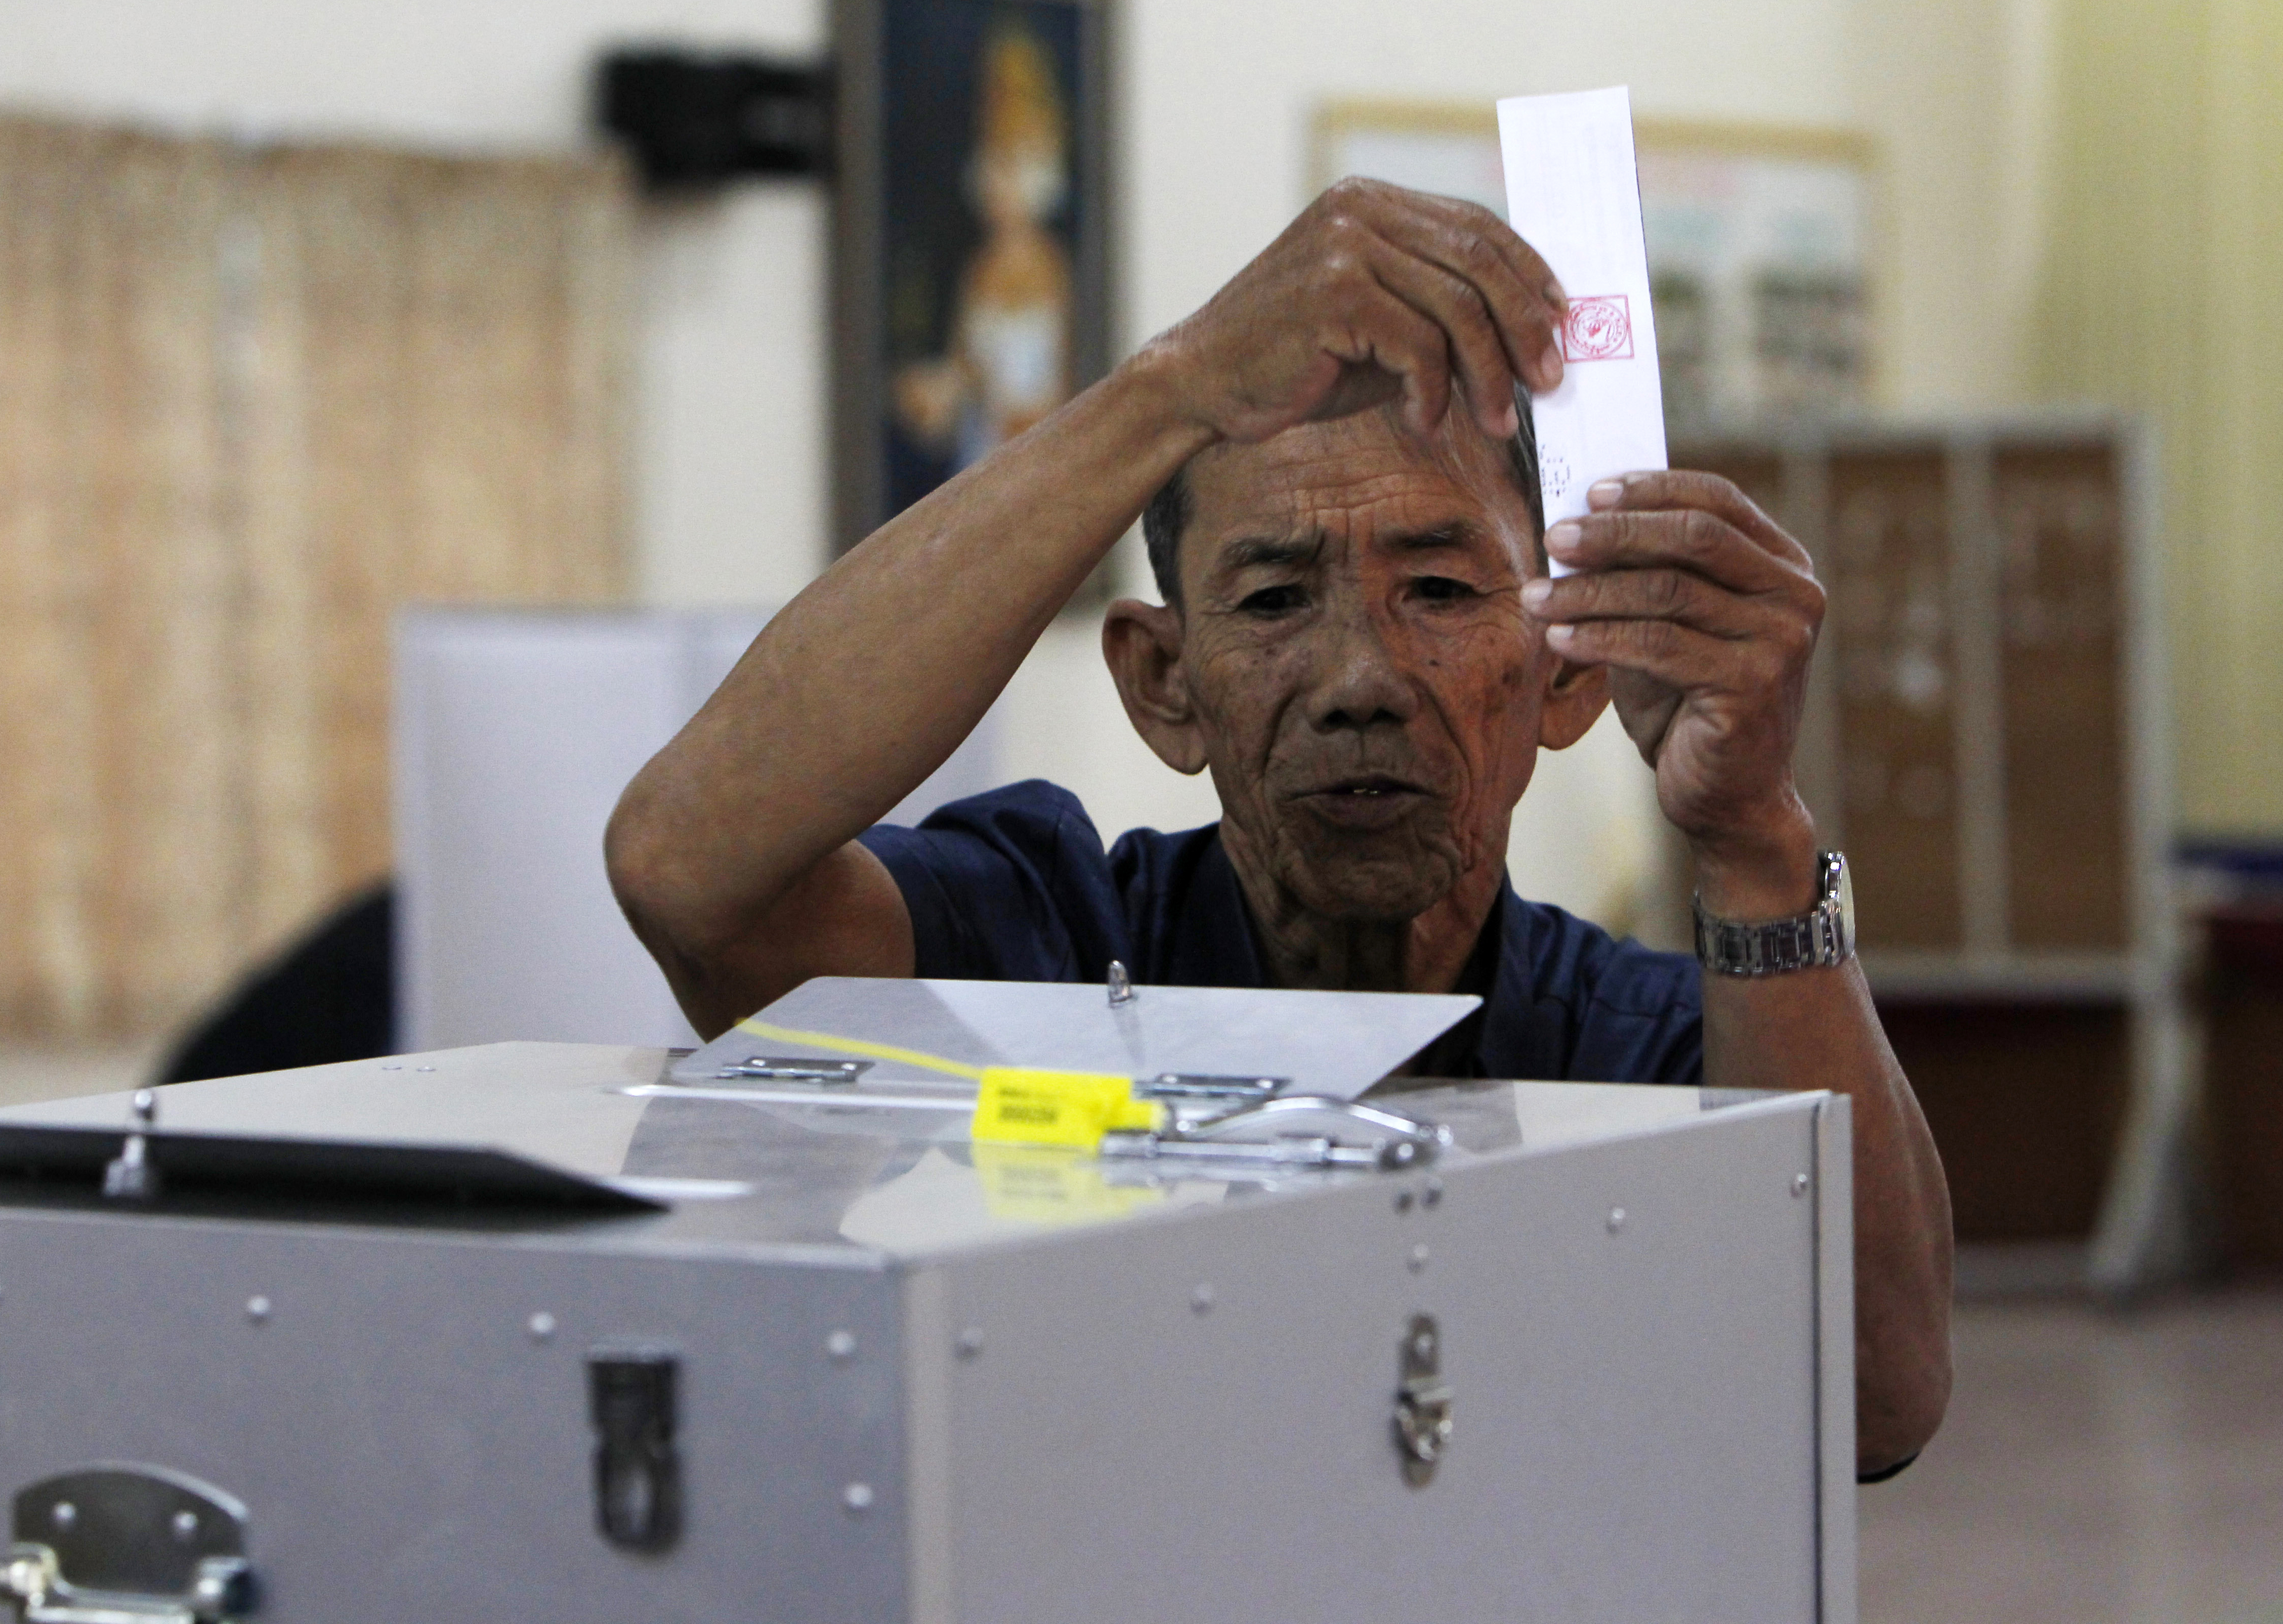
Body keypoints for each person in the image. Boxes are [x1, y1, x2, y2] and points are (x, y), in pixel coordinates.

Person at [607, 178, 1952, 1476]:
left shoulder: (1645, 1047)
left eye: (1435, 586)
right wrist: (1170, 387)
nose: (1361, 679)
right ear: (1160, 681)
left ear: (1565, 673)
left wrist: (1754, 835)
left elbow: (1878, 1395)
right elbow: (690, 874)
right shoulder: (1046, 945)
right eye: (1269, 602)